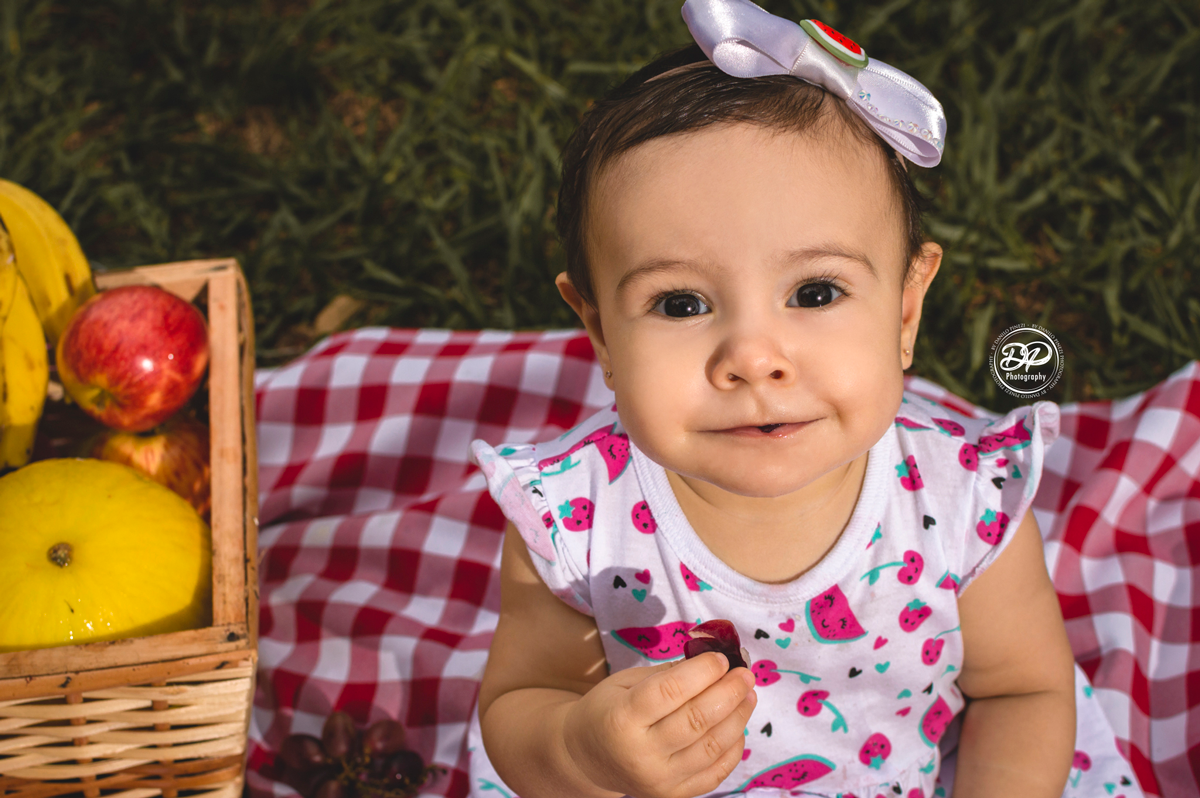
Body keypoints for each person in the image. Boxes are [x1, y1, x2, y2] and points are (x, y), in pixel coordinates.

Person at [464, 2, 1139, 796]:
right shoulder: (574, 521)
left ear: (904, 311)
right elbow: (520, 702)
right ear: (601, 332)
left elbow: (1022, 692)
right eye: (680, 304)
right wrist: (581, 750)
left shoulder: (963, 503)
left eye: (815, 291)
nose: (754, 358)